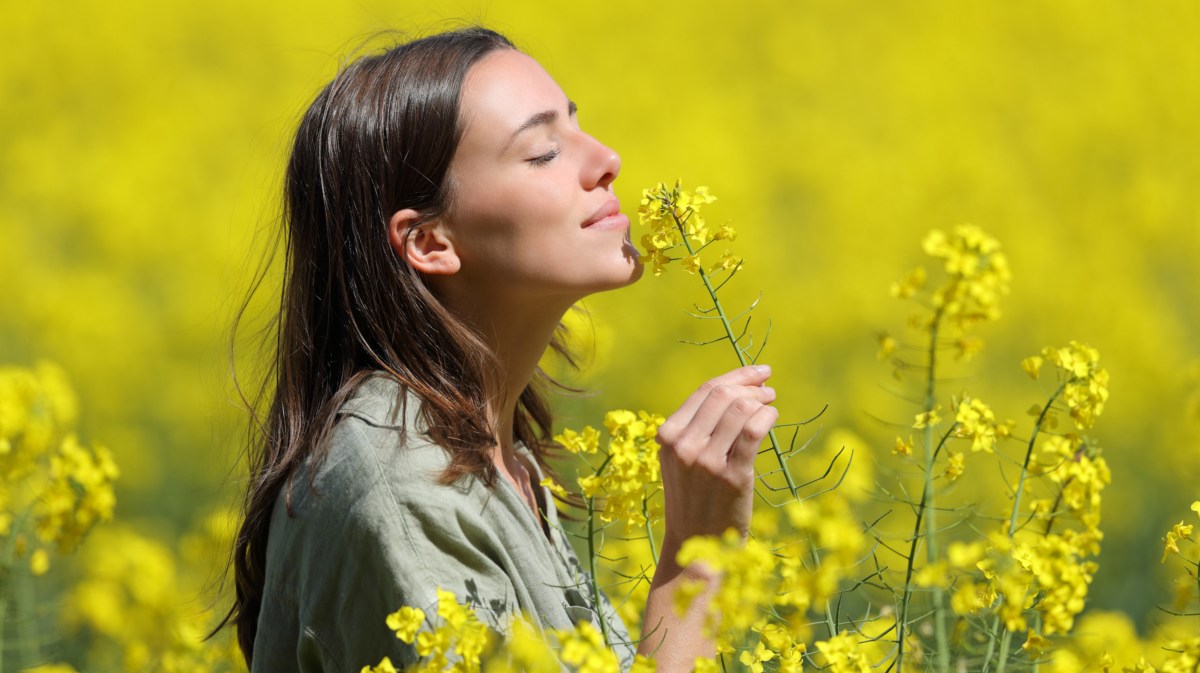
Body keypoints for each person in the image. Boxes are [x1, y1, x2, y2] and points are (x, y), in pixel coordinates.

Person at [226, 27, 779, 673]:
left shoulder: (484, 452)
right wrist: (697, 559)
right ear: (430, 242)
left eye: (578, 125)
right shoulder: (403, 488)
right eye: (544, 152)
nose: (607, 159)